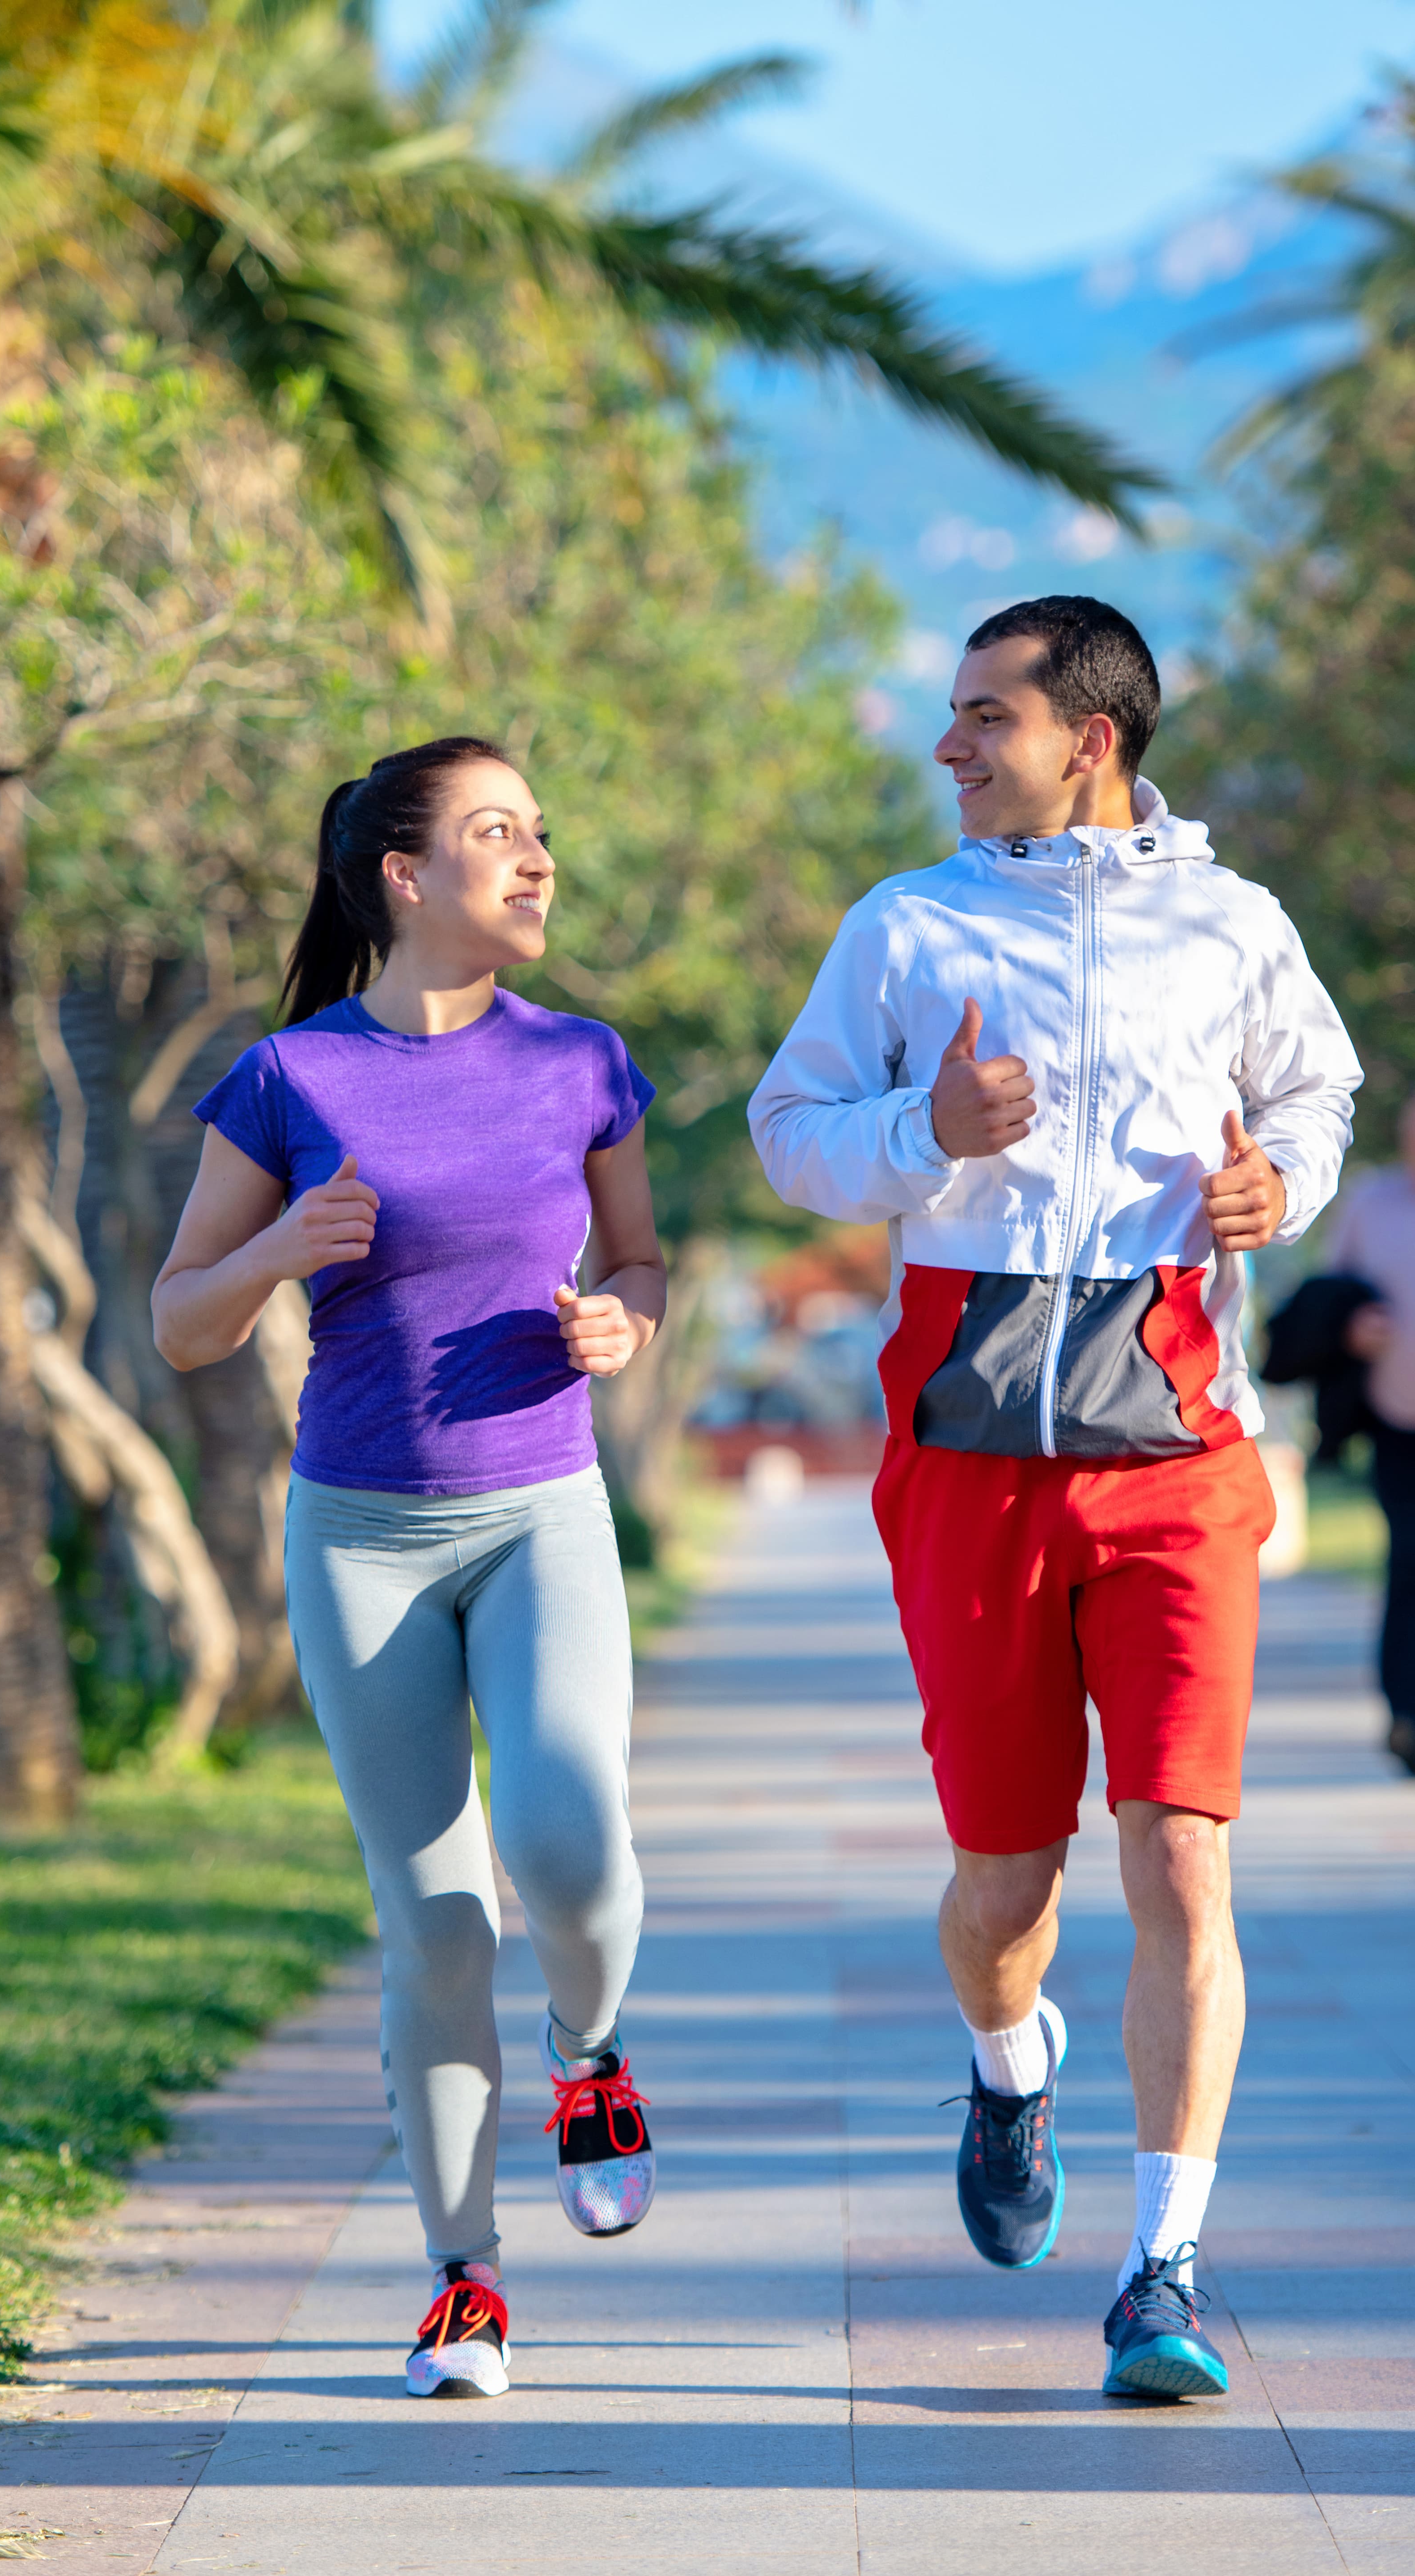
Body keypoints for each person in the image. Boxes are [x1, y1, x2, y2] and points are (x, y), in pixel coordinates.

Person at [749, 597, 1362, 2401]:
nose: (947, 747)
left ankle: (1162, 2271)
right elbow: (795, 1133)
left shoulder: (1233, 925)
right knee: (1003, 1881)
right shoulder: (911, 924)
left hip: (1179, 1439)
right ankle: (1011, 2070)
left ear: (1088, 739)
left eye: (981, 719)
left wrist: (1279, 1198)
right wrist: (925, 1133)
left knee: (1181, 1849)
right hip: (972, 1446)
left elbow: (1314, 1095)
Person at [151, 737, 665, 2400]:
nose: (538, 863)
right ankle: (466, 2280)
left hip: (542, 1511)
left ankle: (592, 2052)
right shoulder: (291, 1081)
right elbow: (177, 1323)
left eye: (542, 833)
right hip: (360, 1536)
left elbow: (640, 1255)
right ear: (402, 874)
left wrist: (624, 1321)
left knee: (568, 1840)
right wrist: (279, 1250)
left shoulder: (585, 1061)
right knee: (437, 1916)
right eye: (499, 834)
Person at [1329, 1092, 1415, 1774]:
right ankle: (1406, 1713)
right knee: (1409, 1560)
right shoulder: (1370, 1201)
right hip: (1398, 1418)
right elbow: (1330, 1299)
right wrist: (1352, 1328)